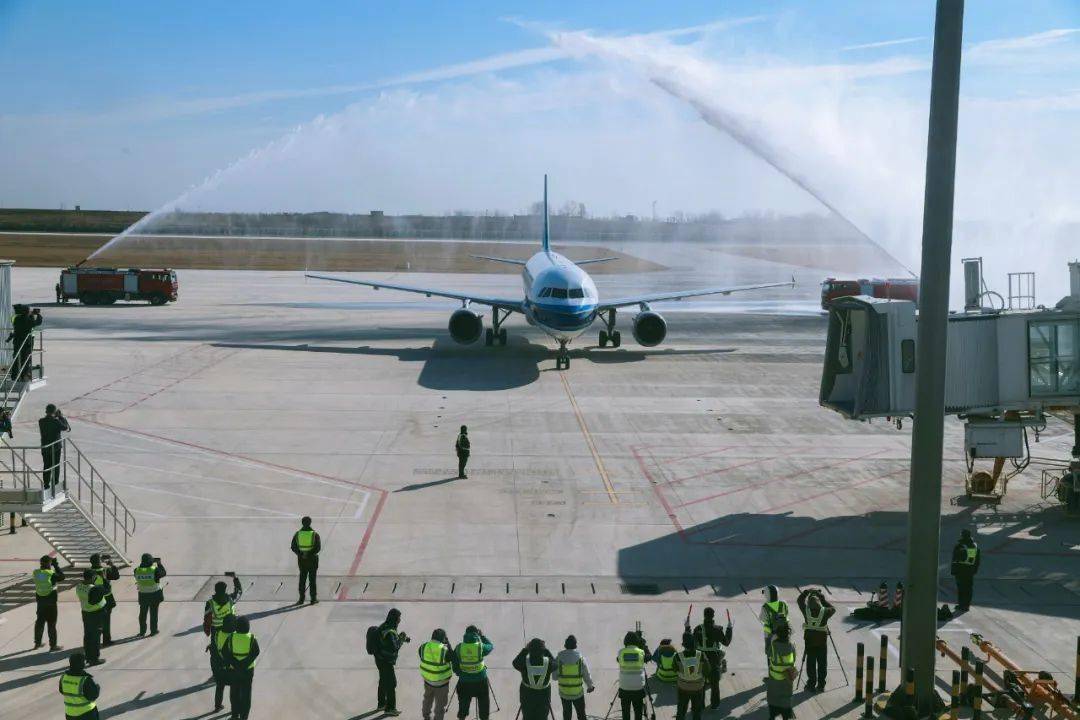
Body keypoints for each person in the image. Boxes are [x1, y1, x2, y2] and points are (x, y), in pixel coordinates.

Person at [692, 607, 732, 708]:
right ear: (713, 616)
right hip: (714, 660)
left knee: (701, 684)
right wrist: (729, 629)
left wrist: (687, 628)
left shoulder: (697, 629)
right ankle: (715, 705)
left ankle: (701, 705)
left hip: (701, 659)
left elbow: (692, 644)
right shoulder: (717, 629)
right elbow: (726, 642)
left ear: (704, 615)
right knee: (714, 684)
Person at [797, 588, 836, 692]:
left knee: (811, 663)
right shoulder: (825, 612)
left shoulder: (806, 611)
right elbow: (833, 608)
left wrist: (806, 592)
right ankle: (821, 684)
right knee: (822, 663)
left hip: (809, 642)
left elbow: (799, 601)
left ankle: (811, 684)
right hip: (822, 643)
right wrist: (822, 598)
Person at [453, 624, 494, 720]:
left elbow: (454, 663)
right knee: (484, 703)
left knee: (463, 702)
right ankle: (484, 717)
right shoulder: (480, 647)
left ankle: (462, 716)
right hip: (480, 681)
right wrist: (482, 637)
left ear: (465, 634)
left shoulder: (459, 647)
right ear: (476, 634)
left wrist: (459, 673)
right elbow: (490, 646)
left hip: (464, 682)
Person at [223, 615, 260, 720]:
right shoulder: (252, 638)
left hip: (234, 671)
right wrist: (244, 664)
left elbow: (225, 652)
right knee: (246, 695)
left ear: (236, 627)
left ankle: (235, 715)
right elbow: (256, 652)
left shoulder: (231, 637)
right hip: (247, 671)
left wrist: (235, 663)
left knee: (234, 693)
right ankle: (244, 717)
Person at [376, 607, 410, 716]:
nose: (400, 620)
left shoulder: (384, 626)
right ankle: (390, 708)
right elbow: (394, 647)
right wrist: (401, 639)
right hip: (386, 661)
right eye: (399, 618)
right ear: (395, 618)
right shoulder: (390, 631)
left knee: (383, 680)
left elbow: (389, 642)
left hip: (379, 659)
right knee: (391, 684)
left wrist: (401, 638)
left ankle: (381, 704)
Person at [553, 634, 595, 720]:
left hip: (564, 692)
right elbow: (586, 674)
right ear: (575, 645)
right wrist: (590, 686)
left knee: (567, 714)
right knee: (581, 714)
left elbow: (554, 677)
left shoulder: (558, 658)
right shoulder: (580, 658)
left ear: (565, 645)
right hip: (577, 692)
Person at [514, 638, 555, 720]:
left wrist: (525, 650)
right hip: (543, 698)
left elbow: (515, 663)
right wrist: (546, 650)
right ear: (542, 650)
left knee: (527, 717)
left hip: (527, 696)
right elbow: (556, 663)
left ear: (530, 650)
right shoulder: (548, 663)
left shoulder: (524, 662)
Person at [419, 628, 455, 720]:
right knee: (440, 705)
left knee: (427, 699)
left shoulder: (423, 647)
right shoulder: (444, 650)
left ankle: (426, 716)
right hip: (441, 682)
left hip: (427, 680)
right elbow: (453, 657)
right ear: (443, 638)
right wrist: (448, 644)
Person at [673, 632, 710, 720]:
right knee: (697, 710)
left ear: (684, 644)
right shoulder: (701, 655)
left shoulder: (678, 656)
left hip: (683, 687)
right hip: (697, 687)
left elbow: (674, 669)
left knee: (681, 709)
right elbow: (707, 670)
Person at [766, 620, 797, 720]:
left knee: (773, 701)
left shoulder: (773, 645)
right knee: (786, 704)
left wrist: (770, 638)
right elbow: (794, 660)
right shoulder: (791, 646)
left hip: (774, 680)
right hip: (787, 680)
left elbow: (768, 653)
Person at [33, 554, 64, 651]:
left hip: (40, 602)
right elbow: (62, 577)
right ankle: (53, 645)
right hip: (51, 603)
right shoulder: (51, 574)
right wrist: (56, 565)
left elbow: (43, 577)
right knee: (51, 624)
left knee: (40, 622)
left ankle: (37, 643)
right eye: (50, 563)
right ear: (48, 564)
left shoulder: (36, 573)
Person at [617, 631, 651, 720]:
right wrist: (643, 645)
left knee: (625, 712)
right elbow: (648, 657)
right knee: (638, 711)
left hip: (624, 687)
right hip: (638, 687)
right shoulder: (641, 652)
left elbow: (618, 660)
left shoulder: (621, 652)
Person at [75, 569, 106, 666]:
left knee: (87, 636)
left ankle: (88, 657)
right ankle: (94, 659)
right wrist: (104, 578)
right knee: (96, 637)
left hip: (85, 612)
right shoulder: (93, 588)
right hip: (96, 614)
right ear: (92, 577)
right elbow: (105, 589)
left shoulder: (79, 586)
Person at [89, 554, 119, 646]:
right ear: (99, 562)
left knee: (95, 623)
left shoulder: (89, 572)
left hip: (94, 600)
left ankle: (94, 641)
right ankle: (106, 640)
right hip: (106, 599)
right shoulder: (105, 571)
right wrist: (112, 565)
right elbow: (116, 576)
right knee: (106, 621)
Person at [134, 553, 168, 636]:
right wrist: (159, 564)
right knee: (153, 614)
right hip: (154, 595)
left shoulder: (136, 570)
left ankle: (142, 631)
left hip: (143, 595)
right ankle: (153, 631)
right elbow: (163, 573)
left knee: (142, 614)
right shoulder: (154, 570)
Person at [60, 652, 101, 719]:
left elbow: (62, 691)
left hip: (70, 714)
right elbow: (93, 696)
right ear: (82, 664)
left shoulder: (64, 677)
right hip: (87, 713)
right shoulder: (85, 680)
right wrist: (97, 688)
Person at [38, 404, 70, 491]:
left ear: (46, 411)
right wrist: (61, 417)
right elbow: (66, 428)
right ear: (54, 412)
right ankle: (55, 483)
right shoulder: (56, 422)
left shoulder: (41, 421)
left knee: (46, 465)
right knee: (55, 465)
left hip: (45, 447)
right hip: (55, 447)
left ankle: (46, 484)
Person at [291, 516, 321, 605]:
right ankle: (313, 599)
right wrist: (308, 554)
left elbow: (293, 547)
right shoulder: (314, 534)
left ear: (302, 523)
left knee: (302, 579)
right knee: (312, 579)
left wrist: (301, 554)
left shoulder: (297, 534)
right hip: (312, 560)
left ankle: (301, 599)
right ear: (310, 523)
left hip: (301, 560)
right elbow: (317, 548)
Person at [209, 614, 236, 712]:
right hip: (229, 668)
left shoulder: (217, 633)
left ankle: (217, 706)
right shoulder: (233, 636)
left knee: (220, 687)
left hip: (218, 666)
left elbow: (214, 645)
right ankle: (234, 709)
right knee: (233, 689)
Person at [8, 305, 42, 381]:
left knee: (16, 358)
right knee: (26, 359)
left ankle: (14, 376)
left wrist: (29, 315)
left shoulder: (16, 318)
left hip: (17, 341)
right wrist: (38, 315)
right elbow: (37, 323)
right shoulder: (28, 319)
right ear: (26, 312)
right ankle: (24, 375)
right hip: (27, 343)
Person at [951, 529, 981, 612]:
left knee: (961, 588)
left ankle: (961, 604)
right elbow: (977, 560)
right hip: (970, 570)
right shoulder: (974, 546)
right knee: (968, 588)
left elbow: (955, 559)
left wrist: (953, 571)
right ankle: (966, 605)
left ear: (962, 536)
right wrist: (974, 570)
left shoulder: (960, 545)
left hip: (960, 569)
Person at [759, 585, 789, 654]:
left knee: (769, 652)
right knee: (785, 650)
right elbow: (787, 613)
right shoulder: (783, 604)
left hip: (770, 634)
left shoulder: (765, 607)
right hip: (784, 632)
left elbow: (762, 618)